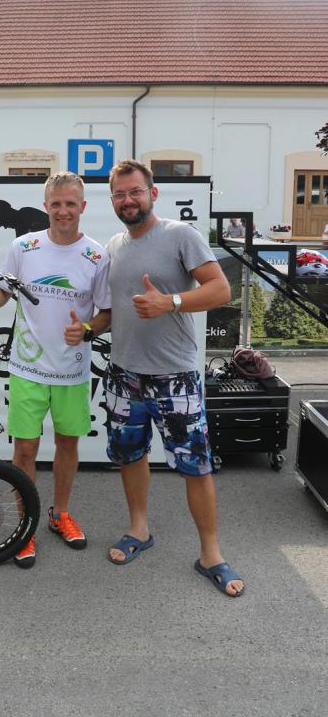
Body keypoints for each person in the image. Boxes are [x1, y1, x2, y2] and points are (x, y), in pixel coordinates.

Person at [103, 159, 244, 597]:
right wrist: (86, 328)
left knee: (195, 466)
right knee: (131, 456)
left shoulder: (181, 235)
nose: (128, 200)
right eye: (119, 194)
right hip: (124, 374)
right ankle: (139, 529)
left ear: (153, 194)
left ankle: (211, 554)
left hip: (174, 377)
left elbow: (221, 289)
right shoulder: (114, 246)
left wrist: (172, 302)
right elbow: (115, 310)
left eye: (135, 191)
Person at [0, 171, 111, 569]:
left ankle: (59, 514)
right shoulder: (23, 247)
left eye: (71, 204)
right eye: (57, 204)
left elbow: (106, 313)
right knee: (25, 449)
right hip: (27, 369)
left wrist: (87, 329)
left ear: (83, 207)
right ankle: (25, 524)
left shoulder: (97, 256)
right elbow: (0, 298)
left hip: (72, 371)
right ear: (46, 205)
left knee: (67, 444)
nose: (63, 211)